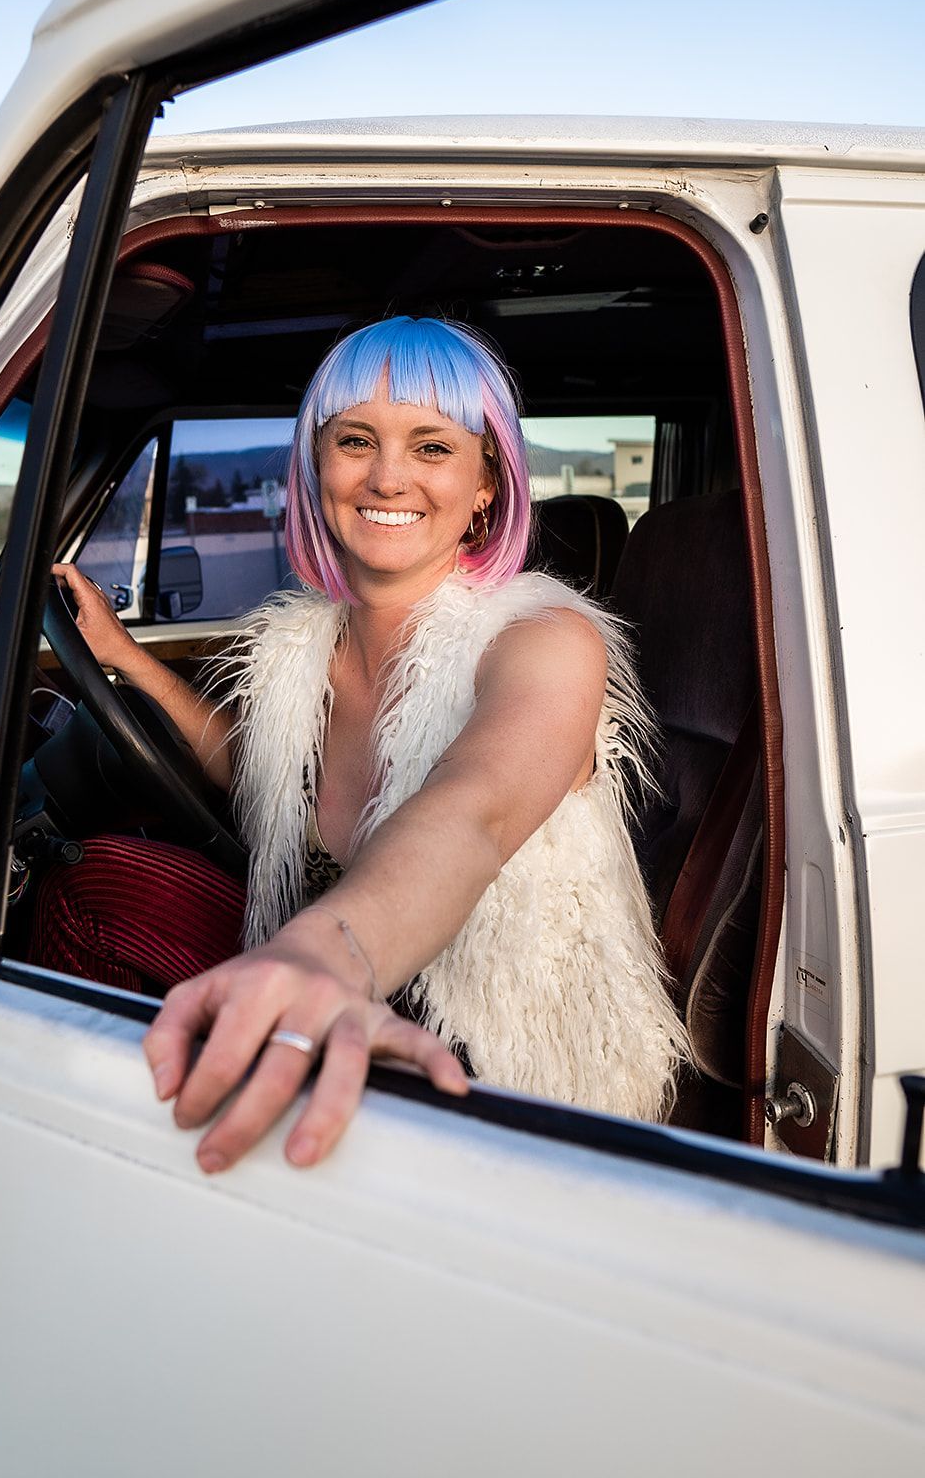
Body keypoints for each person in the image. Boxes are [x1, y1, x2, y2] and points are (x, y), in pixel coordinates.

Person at [39, 316, 689, 1174]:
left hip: (485, 1067)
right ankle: (108, 1143)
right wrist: (126, 660)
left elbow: (475, 812)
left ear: (485, 483)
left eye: (431, 447)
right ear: (315, 465)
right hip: (333, 994)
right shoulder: (301, 646)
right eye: (354, 440)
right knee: (90, 880)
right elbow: (262, 774)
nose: (386, 476)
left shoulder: (543, 640)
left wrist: (326, 954)